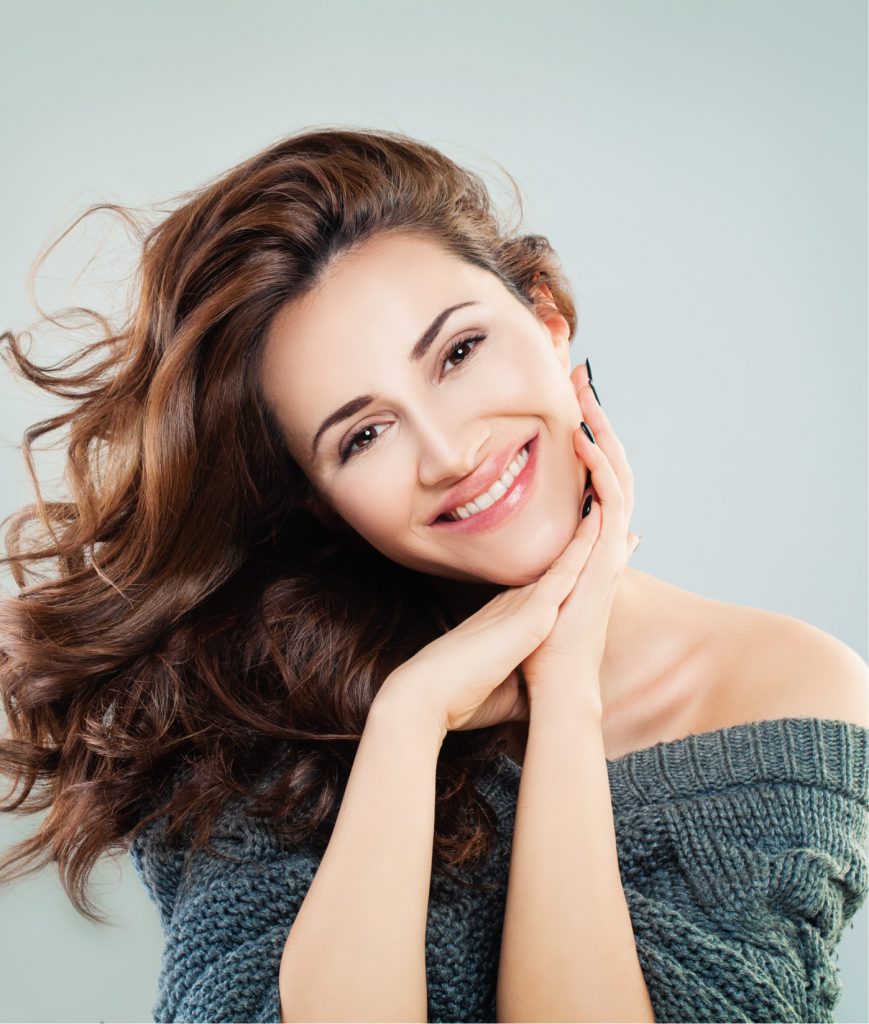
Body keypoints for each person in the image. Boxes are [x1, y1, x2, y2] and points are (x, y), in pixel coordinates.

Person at [0, 126, 866, 1024]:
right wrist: (406, 728)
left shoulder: (787, 692)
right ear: (320, 502)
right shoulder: (253, 732)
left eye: (457, 353)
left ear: (545, 318)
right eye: (363, 436)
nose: (450, 452)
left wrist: (564, 691)